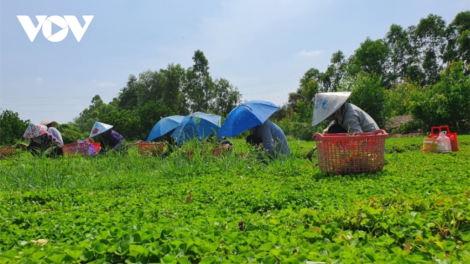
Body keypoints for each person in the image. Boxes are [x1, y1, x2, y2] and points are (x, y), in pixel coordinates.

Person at [307, 92, 380, 160]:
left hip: (373, 145)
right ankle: (348, 156)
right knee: (332, 129)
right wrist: (321, 138)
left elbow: (358, 137)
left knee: (334, 131)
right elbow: (328, 129)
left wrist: (346, 152)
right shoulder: (341, 113)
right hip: (366, 141)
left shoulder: (350, 116)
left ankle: (353, 157)